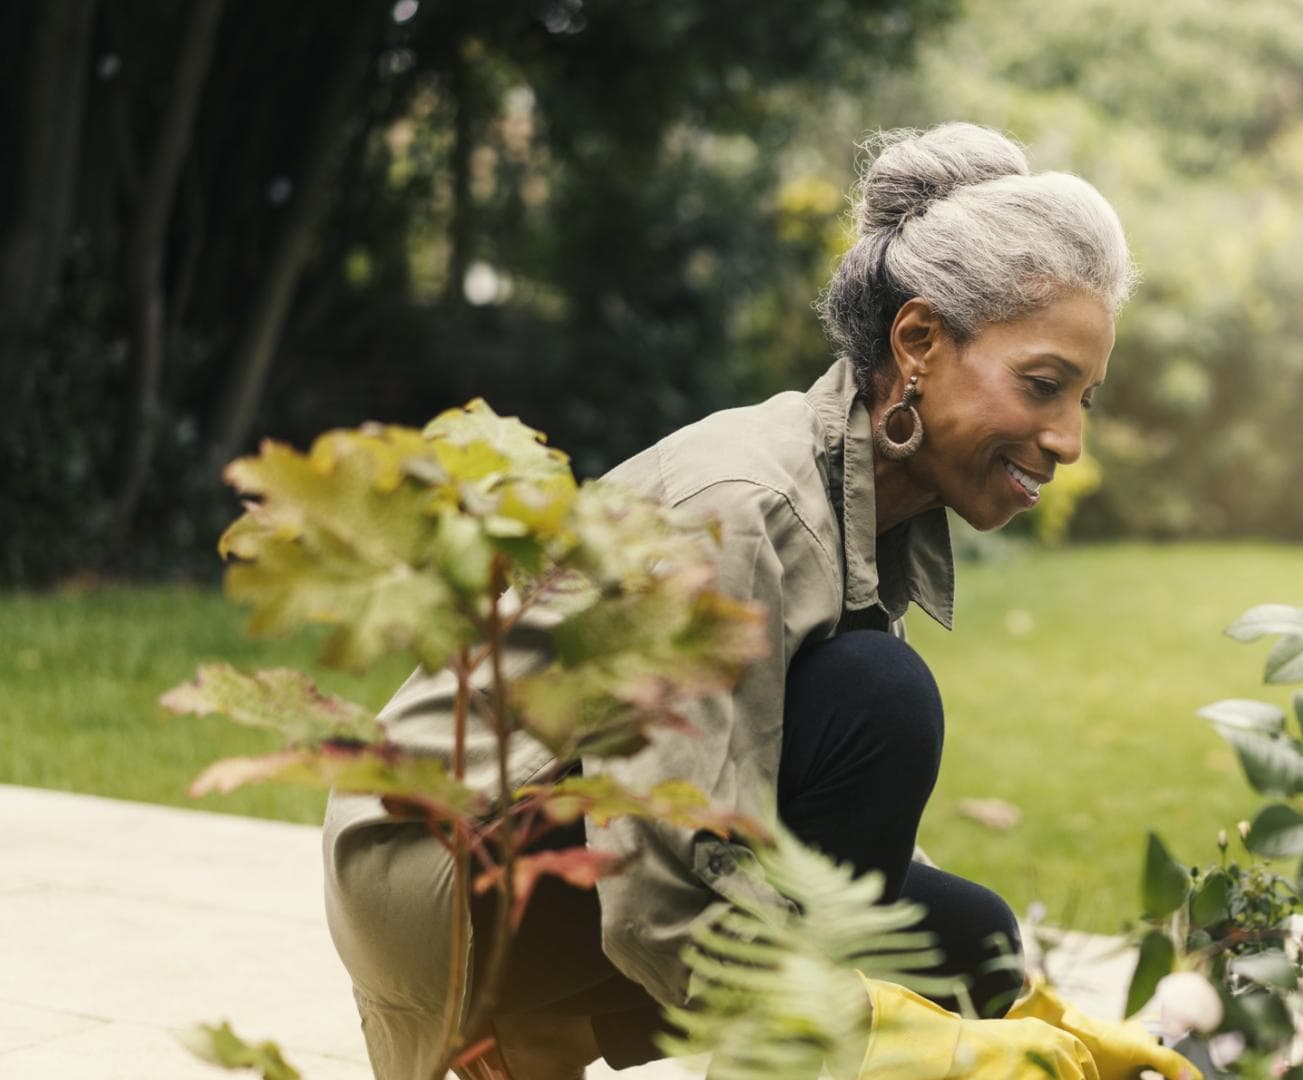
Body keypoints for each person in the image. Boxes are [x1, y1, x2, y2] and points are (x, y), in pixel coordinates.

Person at [321, 122, 1136, 1078]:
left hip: (555, 843)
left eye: (1084, 399)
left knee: (973, 943)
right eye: (1044, 386)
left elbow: (823, 834)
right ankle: (539, 1029)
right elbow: (658, 891)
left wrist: (1028, 1014)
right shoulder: (743, 508)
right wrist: (883, 1033)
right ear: (917, 341)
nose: (1067, 439)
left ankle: (553, 1033)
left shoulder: (870, 505)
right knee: (881, 698)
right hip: (438, 865)